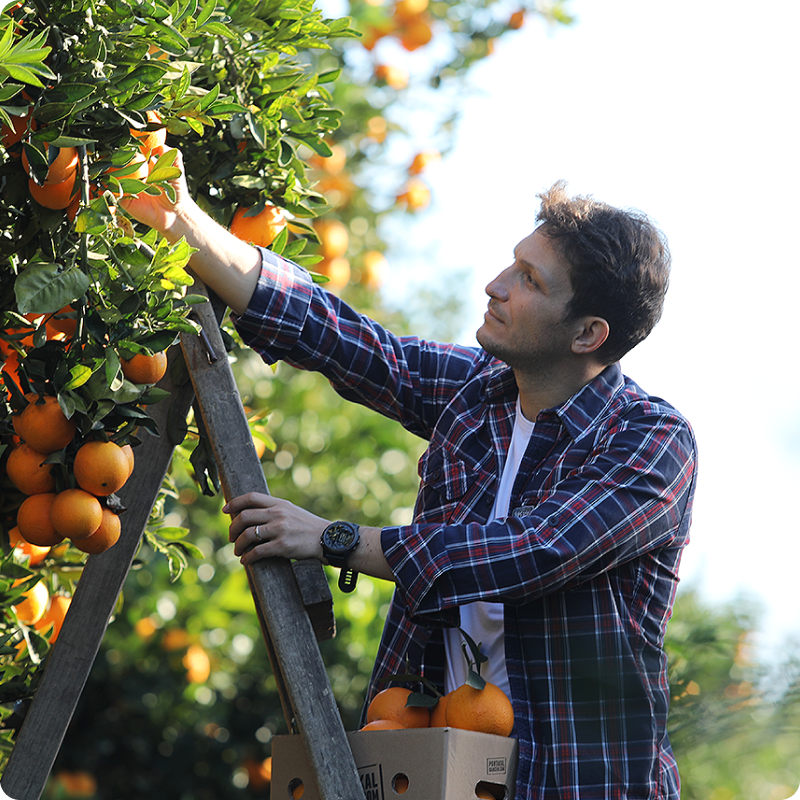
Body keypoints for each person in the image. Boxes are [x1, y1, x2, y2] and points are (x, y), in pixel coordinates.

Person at [123, 150, 697, 800]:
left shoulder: (650, 441)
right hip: (434, 774)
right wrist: (183, 220)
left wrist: (339, 540)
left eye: (531, 280)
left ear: (588, 333)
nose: (497, 284)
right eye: (513, 262)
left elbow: (536, 551)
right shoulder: (478, 395)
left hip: (576, 782)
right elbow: (350, 342)